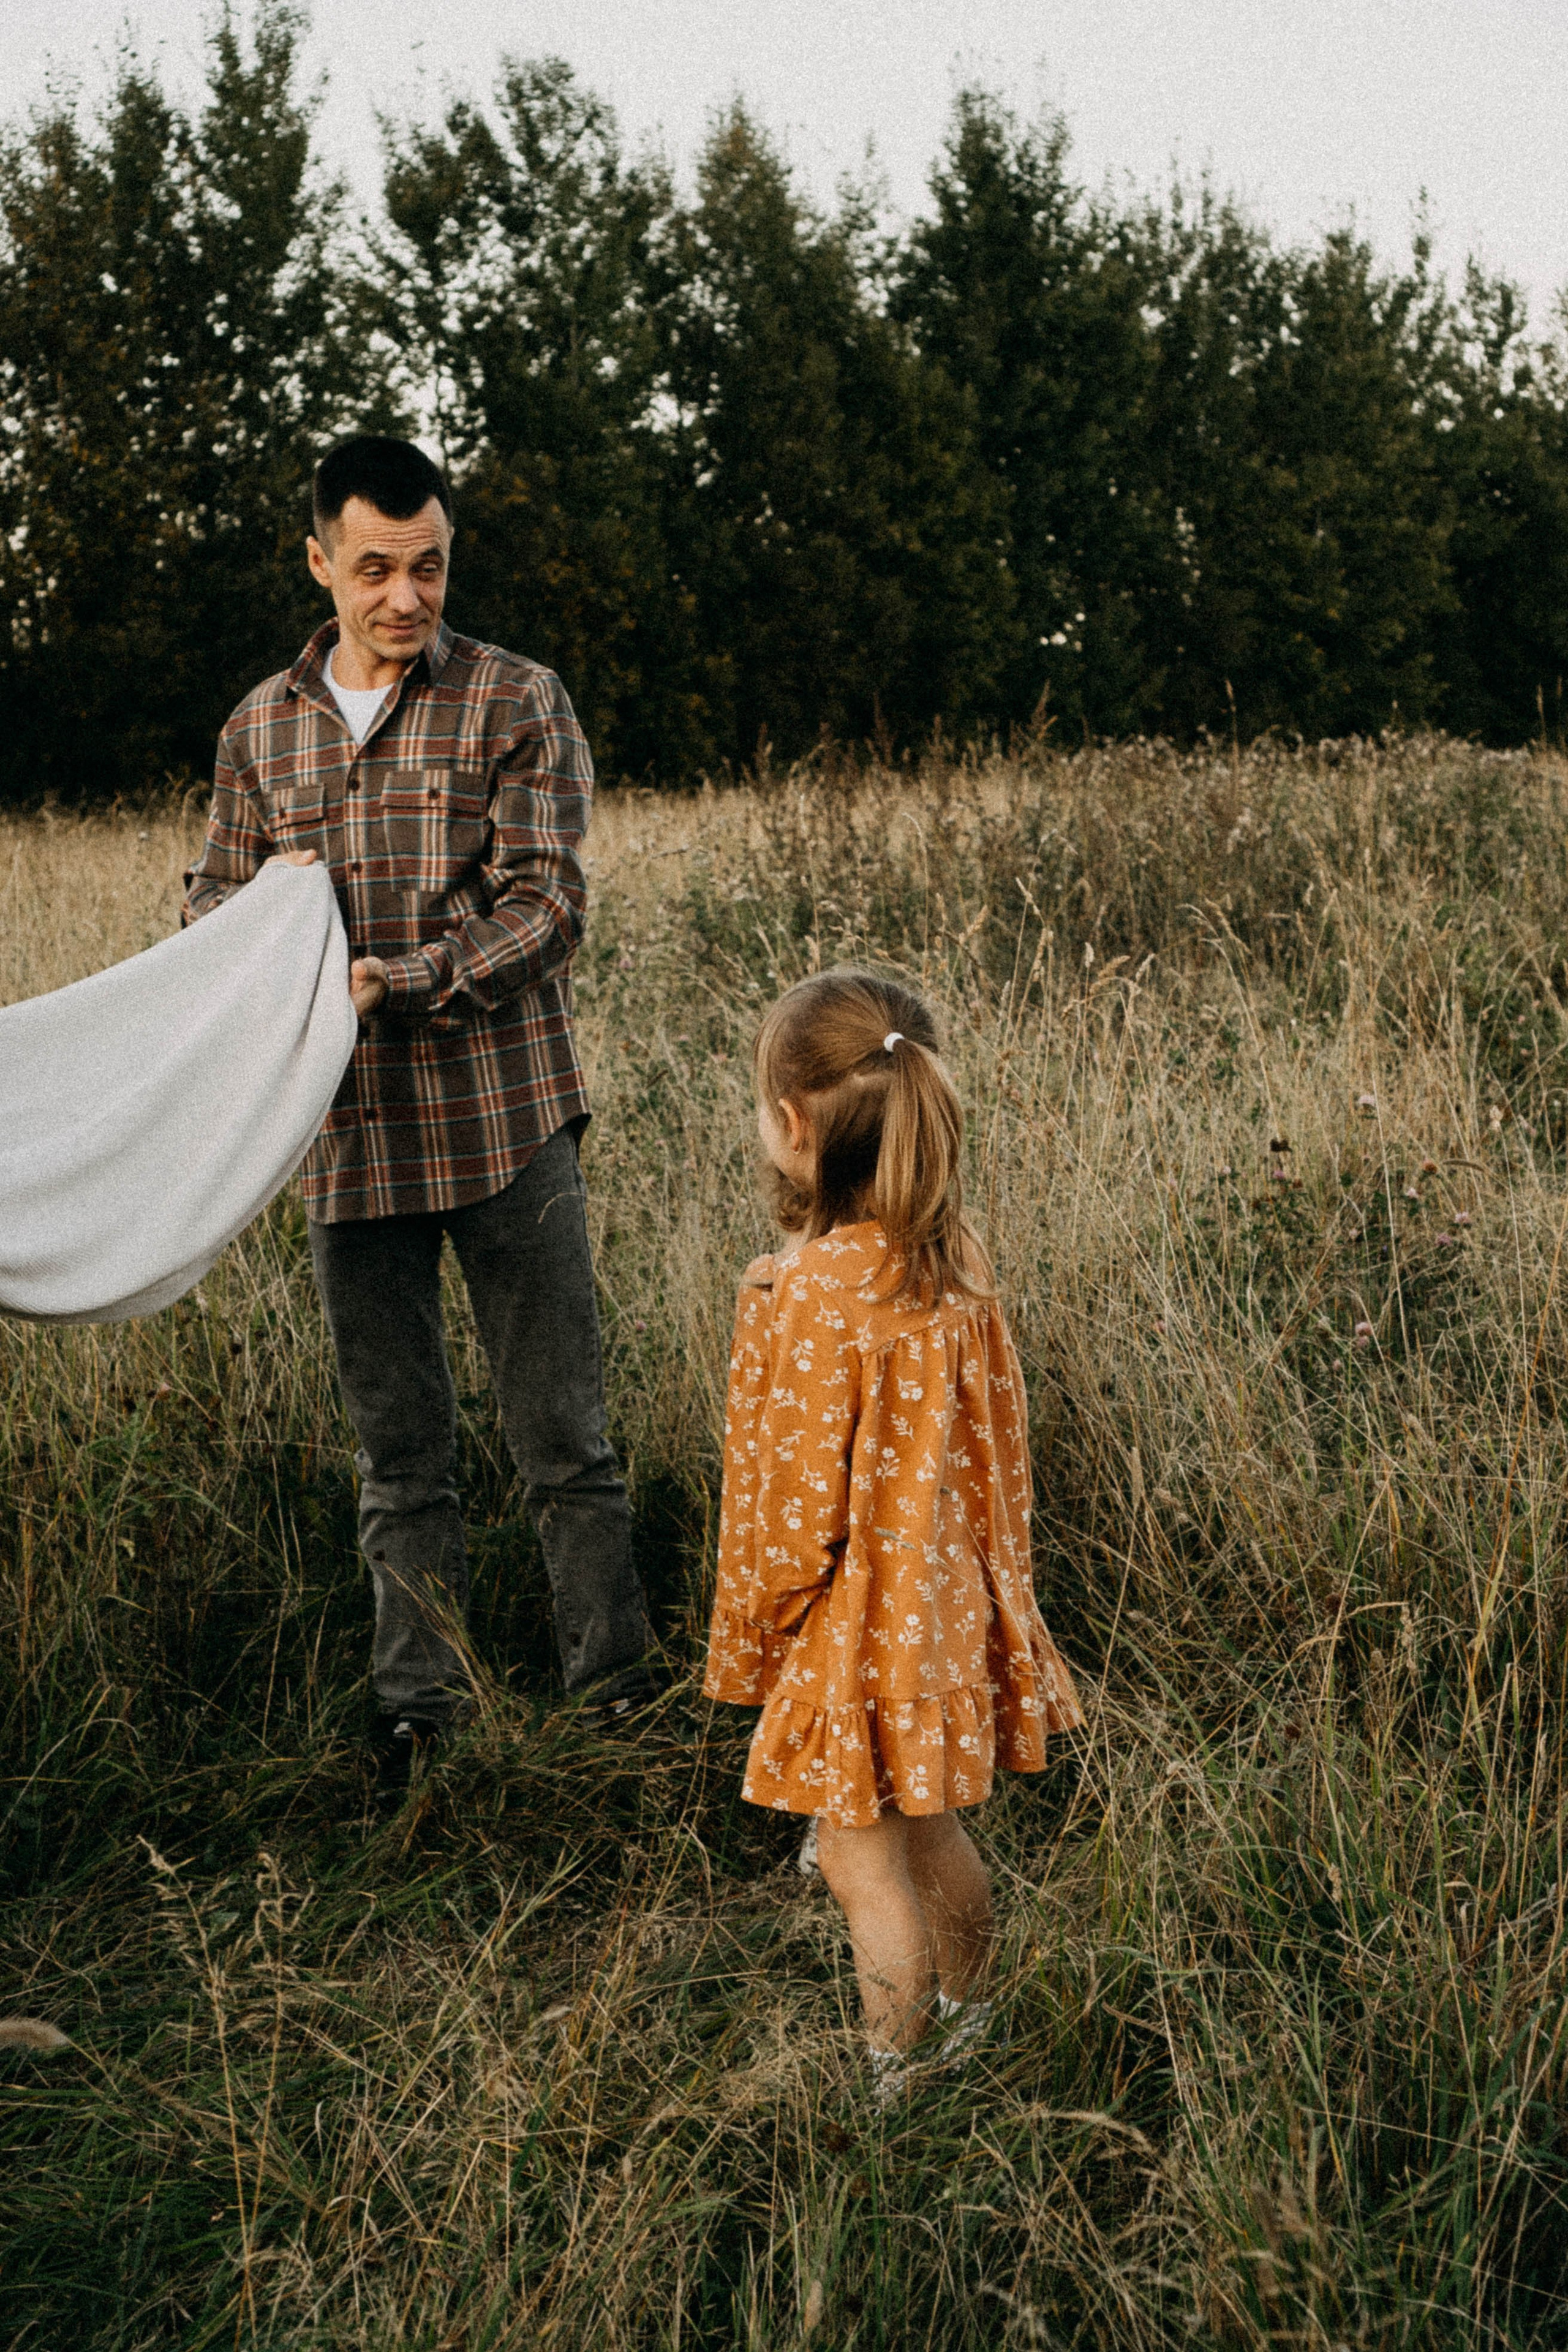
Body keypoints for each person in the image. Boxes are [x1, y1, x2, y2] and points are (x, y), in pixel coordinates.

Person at [184, 434, 656, 1785]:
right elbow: (213, 912)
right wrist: (265, 963)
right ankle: (420, 1718)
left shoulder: (517, 699)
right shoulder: (257, 730)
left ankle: (613, 1701)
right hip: (346, 1138)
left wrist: (412, 976)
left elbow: (548, 906)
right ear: (320, 561)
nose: (406, 596)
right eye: (377, 568)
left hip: (507, 1119)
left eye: (430, 565)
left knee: (562, 1439)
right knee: (396, 1453)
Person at [703, 968, 1084, 2100]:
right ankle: (975, 2022)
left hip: (852, 1633)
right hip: (945, 1615)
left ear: (791, 1122)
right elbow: (1003, 1461)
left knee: (862, 1868)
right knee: (937, 1834)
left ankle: (898, 2078)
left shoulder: (806, 1298)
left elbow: (792, 1519)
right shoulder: (958, 1273)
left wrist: (763, 1624)